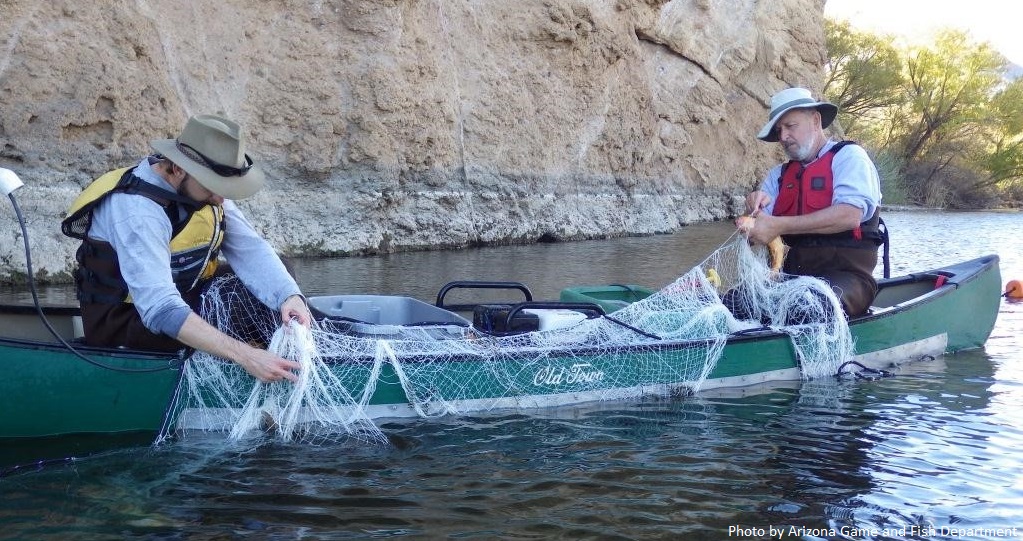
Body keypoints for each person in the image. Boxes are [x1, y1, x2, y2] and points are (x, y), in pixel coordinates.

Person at [62, 114, 311, 383]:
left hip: (186, 297)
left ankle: (300, 343)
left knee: (279, 279)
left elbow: (251, 249)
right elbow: (162, 310)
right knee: (236, 300)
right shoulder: (137, 211)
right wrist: (246, 356)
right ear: (178, 169)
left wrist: (289, 297)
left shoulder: (200, 188)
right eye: (212, 187)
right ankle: (269, 357)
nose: (219, 199)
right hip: (124, 325)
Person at [740, 87, 884, 317]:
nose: (783, 137)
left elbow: (850, 215)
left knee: (809, 306)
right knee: (736, 302)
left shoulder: (849, 158)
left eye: (790, 126)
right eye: (779, 130)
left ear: (815, 121)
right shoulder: (777, 176)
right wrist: (752, 214)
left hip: (848, 279)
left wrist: (780, 225)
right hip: (789, 280)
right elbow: (757, 232)